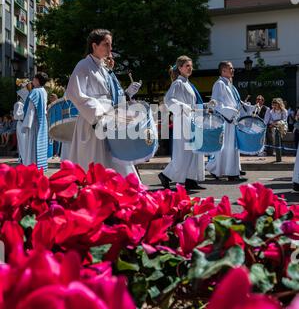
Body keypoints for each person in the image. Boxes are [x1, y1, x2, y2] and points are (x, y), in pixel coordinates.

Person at [65, 28, 141, 175]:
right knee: (97, 162)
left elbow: (113, 94)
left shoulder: (104, 68)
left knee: (118, 163)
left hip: (110, 119)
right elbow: (75, 94)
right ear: (94, 46)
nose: (110, 49)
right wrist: (101, 114)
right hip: (93, 121)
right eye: (106, 44)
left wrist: (127, 93)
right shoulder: (83, 65)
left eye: (111, 45)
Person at [158, 55, 205, 191]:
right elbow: (168, 100)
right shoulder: (178, 83)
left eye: (191, 66)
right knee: (183, 153)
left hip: (190, 120)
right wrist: (184, 107)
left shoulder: (187, 83)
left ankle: (190, 180)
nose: (190, 68)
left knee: (193, 152)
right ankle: (165, 175)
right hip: (183, 121)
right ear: (180, 68)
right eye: (187, 66)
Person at [206, 61, 250, 181]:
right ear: (223, 71)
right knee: (227, 147)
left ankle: (228, 170)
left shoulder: (230, 85)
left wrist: (248, 108)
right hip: (226, 120)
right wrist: (229, 112)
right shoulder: (219, 84)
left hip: (232, 120)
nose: (233, 70)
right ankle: (230, 172)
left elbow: (237, 102)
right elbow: (215, 103)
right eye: (231, 68)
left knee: (231, 147)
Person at [21, 72, 49, 171]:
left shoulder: (35, 91)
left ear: (37, 80)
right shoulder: (44, 91)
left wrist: (26, 125)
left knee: (32, 146)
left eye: (33, 79)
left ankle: (31, 168)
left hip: (34, 122)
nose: (32, 81)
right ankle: (39, 168)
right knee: (40, 146)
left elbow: (31, 109)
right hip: (43, 122)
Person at [13, 82, 29, 162]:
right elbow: (16, 116)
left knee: (25, 142)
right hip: (21, 124)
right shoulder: (19, 104)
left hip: (24, 124)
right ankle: (23, 158)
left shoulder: (24, 104)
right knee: (22, 142)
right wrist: (27, 114)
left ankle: (24, 158)